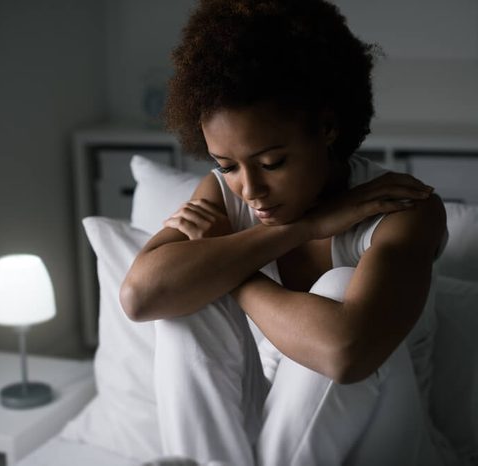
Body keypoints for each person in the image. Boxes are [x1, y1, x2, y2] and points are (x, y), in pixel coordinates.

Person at [120, 0, 448, 464]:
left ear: (328, 127)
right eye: (227, 166)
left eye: (273, 162)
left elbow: (345, 354)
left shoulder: (402, 209)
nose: (250, 190)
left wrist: (232, 269)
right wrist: (305, 228)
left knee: (335, 287)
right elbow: (140, 298)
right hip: (275, 435)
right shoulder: (225, 194)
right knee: (184, 300)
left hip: (385, 441)